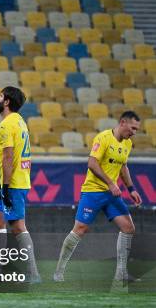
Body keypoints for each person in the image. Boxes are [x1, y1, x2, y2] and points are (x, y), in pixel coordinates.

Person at [54, 111, 142, 282]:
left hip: (111, 194)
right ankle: (59, 272)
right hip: (93, 191)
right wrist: (111, 183)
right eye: (133, 128)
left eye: (137, 129)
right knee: (80, 230)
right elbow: (92, 164)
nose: (134, 132)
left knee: (128, 228)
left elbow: (123, 167)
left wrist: (131, 188)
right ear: (122, 122)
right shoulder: (103, 139)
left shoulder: (127, 144)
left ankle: (121, 274)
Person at [0, 86, 40, 282]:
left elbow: (9, 156)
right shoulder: (20, 121)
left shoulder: (5, 125)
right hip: (16, 179)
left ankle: (33, 273)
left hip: (14, 183)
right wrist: (0, 181)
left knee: (18, 227)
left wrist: (5, 186)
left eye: (0, 96)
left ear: (7, 102)